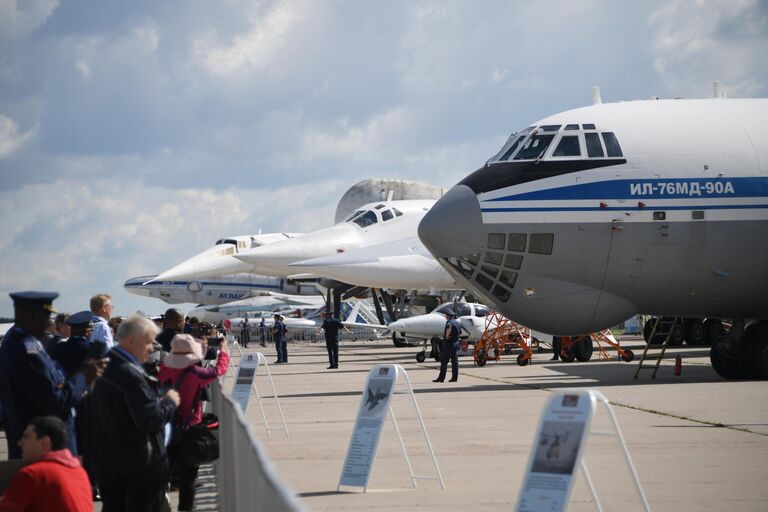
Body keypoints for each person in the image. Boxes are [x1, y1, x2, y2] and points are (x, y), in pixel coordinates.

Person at [92, 314, 180, 512]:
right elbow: (150, 419)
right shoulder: (128, 374)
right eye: (148, 342)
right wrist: (169, 403)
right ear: (131, 340)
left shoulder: (104, 366)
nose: (151, 348)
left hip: (113, 461)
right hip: (139, 465)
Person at [0, 292, 104, 459]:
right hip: (44, 450)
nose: (50, 324)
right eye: (45, 317)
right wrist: (84, 377)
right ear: (30, 316)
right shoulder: (26, 349)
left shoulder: (22, 342)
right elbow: (55, 400)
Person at [158, 334, 230, 512]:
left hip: (166, 426)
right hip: (189, 428)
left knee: (162, 470)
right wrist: (224, 351)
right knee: (188, 478)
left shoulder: (164, 369)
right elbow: (218, 371)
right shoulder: (194, 373)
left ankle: (159, 500)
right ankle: (185, 509)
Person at [0, 416, 92, 511]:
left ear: (45, 442)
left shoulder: (33, 474)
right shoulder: (80, 472)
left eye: (26, 437)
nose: (20, 443)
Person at [433, 308, 461, 383]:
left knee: (444, 362)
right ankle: (454, 378)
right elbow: (460, 333)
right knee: (454, 362)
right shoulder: (457, 323)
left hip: (449, 345)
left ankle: (441, 378)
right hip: (456, 344)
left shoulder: (449, 323)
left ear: (448, 316)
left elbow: (448, 329)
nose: (445, 316)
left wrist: (446, 336)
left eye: (446, 315)